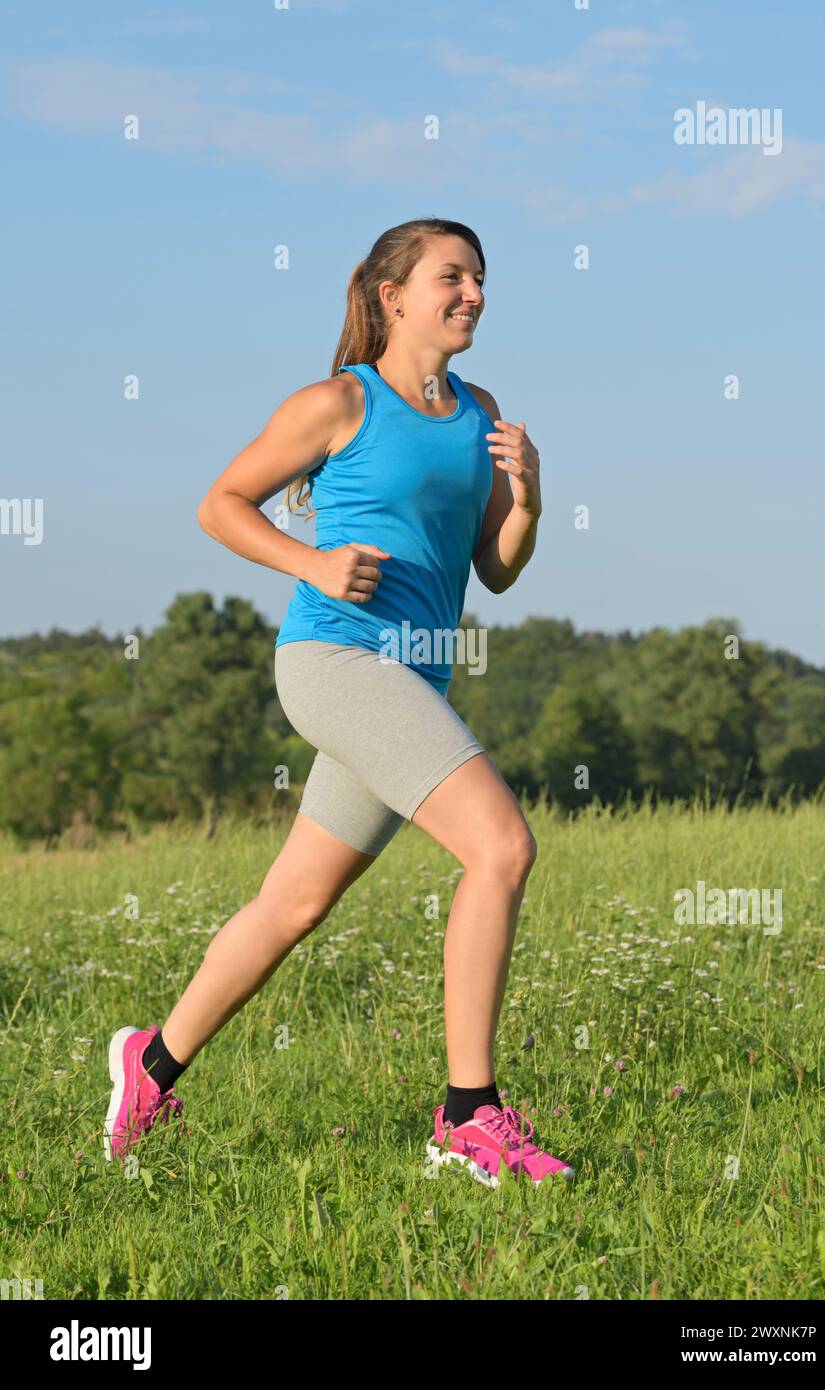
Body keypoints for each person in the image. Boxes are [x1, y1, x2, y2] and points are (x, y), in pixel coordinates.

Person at [103, 217, 574, 1187]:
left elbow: (495, 571)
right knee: (501, 846)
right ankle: (467, 1117)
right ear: (393, 294)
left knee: (294, 902)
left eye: (480, 279)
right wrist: (310, 558)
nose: (473, 293)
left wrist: (526, 498)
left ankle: (148, 1066)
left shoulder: (480, 411)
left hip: (412, 678)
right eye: (453, 277)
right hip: (335, 660)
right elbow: (221, 503)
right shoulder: (337, 403)